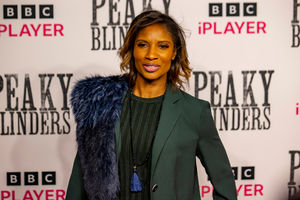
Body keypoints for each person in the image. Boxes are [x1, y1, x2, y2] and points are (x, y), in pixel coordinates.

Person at [66, 10, 237, 200]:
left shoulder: (195, 112)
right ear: (132, 49)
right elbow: (80, 180)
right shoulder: (101, 104)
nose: (151, 55)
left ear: (174, 52)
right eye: (142, 45)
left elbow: (224, 181)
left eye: (162, 46)